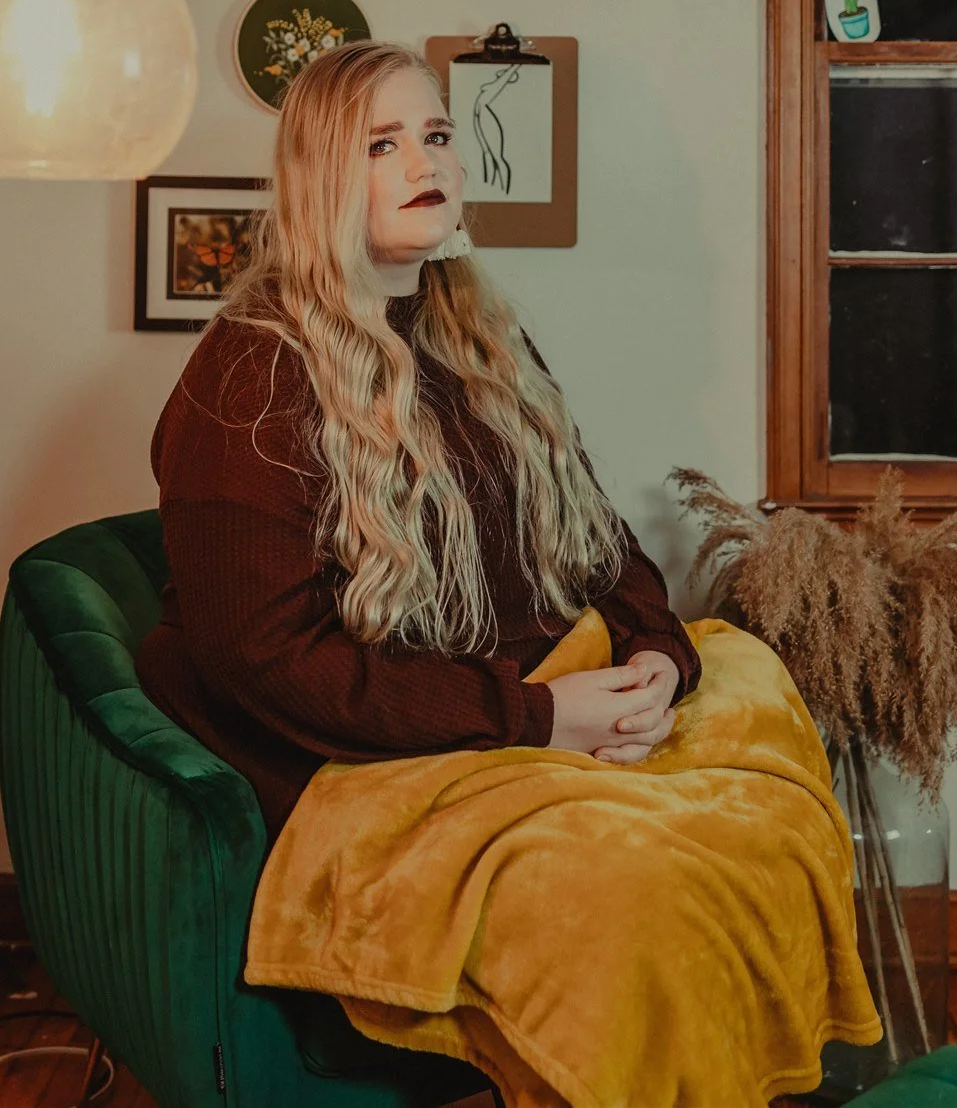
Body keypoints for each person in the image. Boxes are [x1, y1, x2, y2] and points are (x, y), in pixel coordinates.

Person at [135, 41, 701, 841]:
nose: (421, 163)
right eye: (381, 144)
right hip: (369, 770)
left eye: (436, 136)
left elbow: (598, 538)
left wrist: (655, 658)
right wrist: (538, 716)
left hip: (535, 718)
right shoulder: (251, 373)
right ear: (320, 178)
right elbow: (267, 661)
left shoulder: (482, 337)